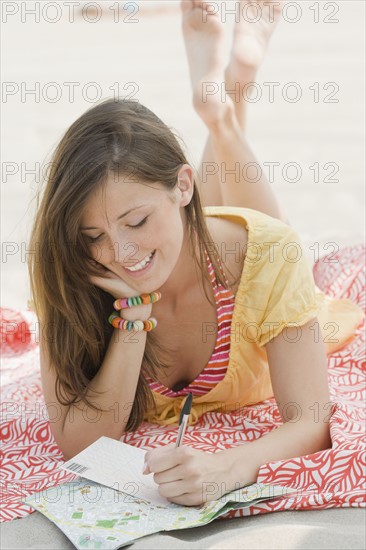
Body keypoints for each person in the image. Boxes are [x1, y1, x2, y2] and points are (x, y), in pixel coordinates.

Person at [28, 1, 363, 507]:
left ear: (184, 185)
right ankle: (223, 103)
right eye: (92, 234)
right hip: (196, 236)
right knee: (187, 238)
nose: (118, 252)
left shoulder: (266, 256)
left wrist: (228, 467)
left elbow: (310, 420)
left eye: (136, 221)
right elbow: (81, 443)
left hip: (240, 255)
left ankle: (225, 108)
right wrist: (132, 323)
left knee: (268, 240)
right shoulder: (69, 268)